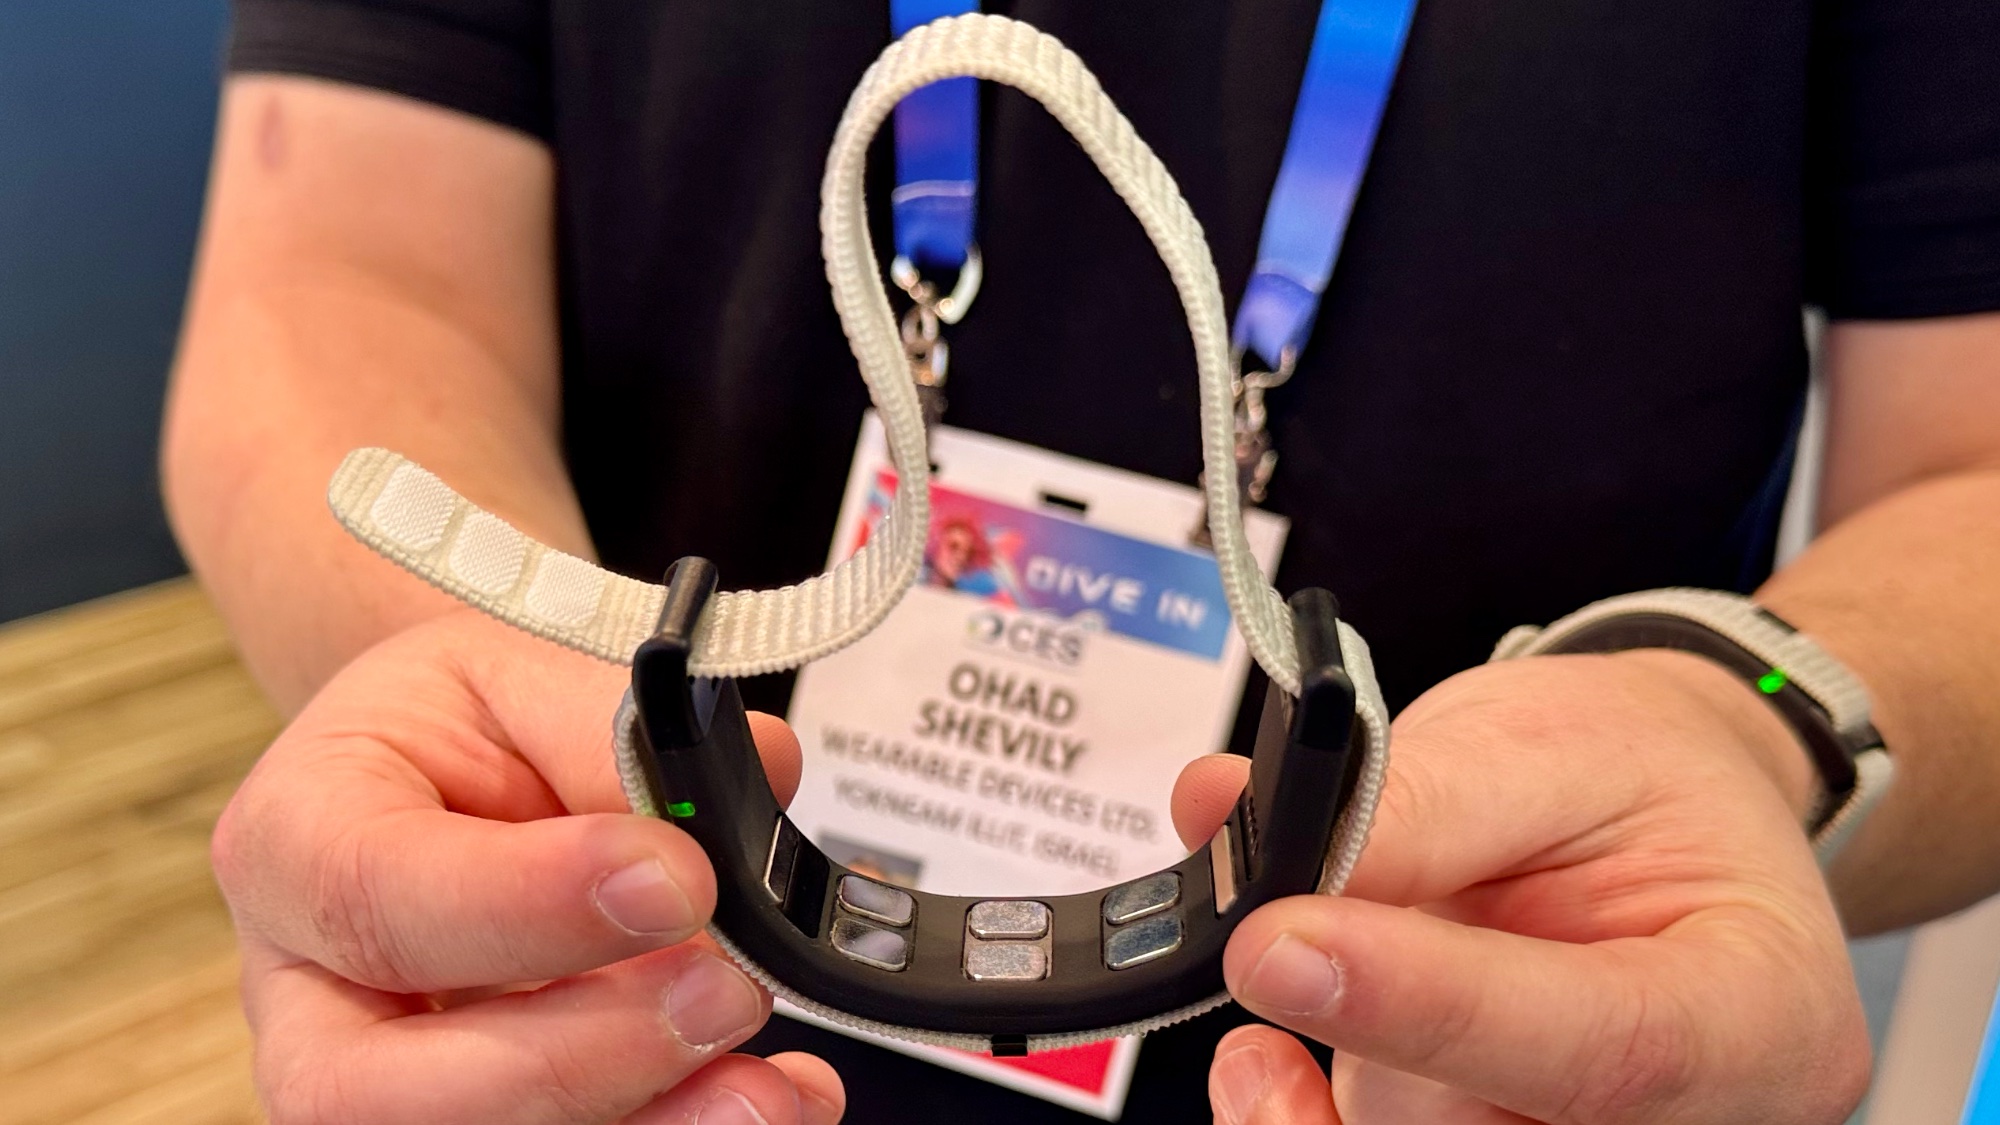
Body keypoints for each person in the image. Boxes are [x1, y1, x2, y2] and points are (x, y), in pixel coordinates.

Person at [162, 1, 2000, 1122]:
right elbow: (338, 266)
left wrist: (1751, 718)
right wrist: (503, 748)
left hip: (1455, 1065)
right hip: (636, 1030)